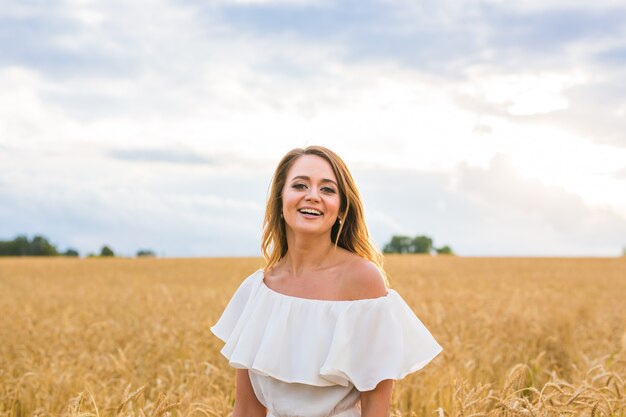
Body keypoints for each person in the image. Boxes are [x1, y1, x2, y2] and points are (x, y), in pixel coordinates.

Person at [211, 146, 443, 417]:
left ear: (342, 208)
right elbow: (247, 410)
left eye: (328, 190)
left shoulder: (363, 281)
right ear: (280, 200)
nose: (312, 196)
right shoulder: (258, 290)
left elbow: (375, 408)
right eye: (300, 185)